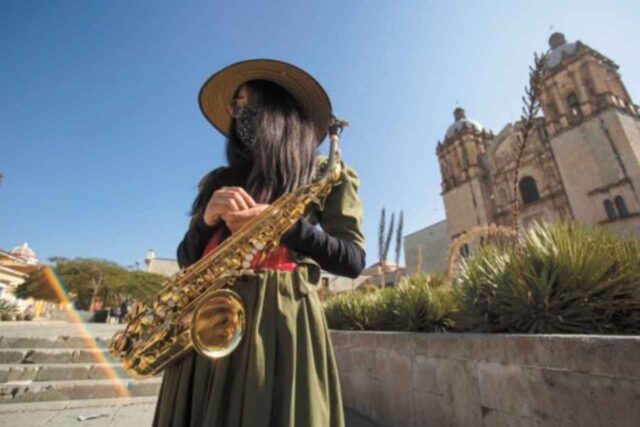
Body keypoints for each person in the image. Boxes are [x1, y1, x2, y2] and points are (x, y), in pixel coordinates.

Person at [152, 59, 366, 427]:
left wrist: (285, 226)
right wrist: (205, 222)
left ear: (276, 107)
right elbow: (187, 258)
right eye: (234, 106)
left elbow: (352, 260)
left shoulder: (324, 174)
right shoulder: (218, 180)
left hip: (277, 328)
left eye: (245, 102)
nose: (237, 113)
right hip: (204, 322)